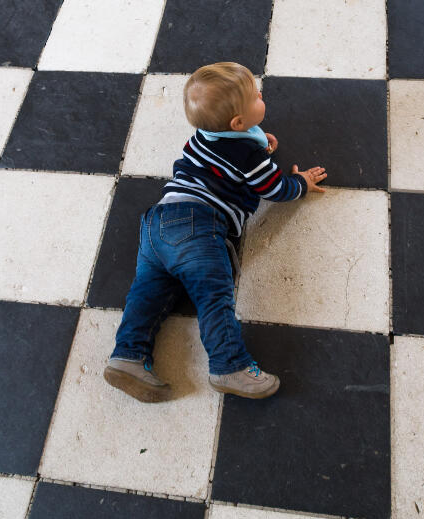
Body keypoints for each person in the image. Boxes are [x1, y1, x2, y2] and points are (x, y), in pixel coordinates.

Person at [104, 61, 327, 402]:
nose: (261, 94)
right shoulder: (250, 158)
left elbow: (220, 159)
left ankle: (128, 356)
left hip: (156, 223)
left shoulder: (201, 137)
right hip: (199, 224)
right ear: (237, 123)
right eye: (256, 96)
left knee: (147, 294)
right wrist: (301, 182)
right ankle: (229, 365)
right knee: (213, 296)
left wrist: (258, 142)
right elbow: (274, 189)